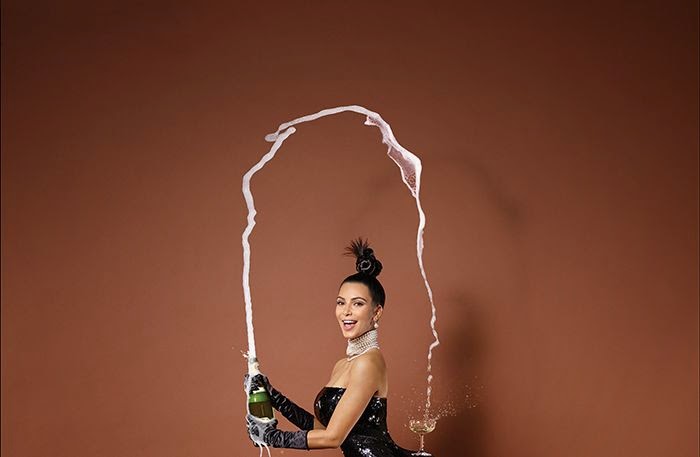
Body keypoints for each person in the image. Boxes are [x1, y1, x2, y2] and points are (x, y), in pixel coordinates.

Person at [245, 238, 416, 456]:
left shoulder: (369, 362)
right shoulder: (342, 365)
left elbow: (333, 438)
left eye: (358, 303)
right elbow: (323, 430)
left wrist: (272, 437)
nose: (346, 311)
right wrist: (275, 398)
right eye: (341, 302)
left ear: (376, 312)